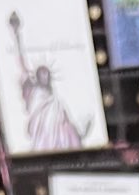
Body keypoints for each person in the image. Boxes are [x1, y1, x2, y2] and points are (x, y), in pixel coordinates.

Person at [8, 8, 88, 152]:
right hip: (40, 123)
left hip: (56, 123)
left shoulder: (53, 99)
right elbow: (21, 61)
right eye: (42, 73)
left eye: (46, 74)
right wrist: (16, 35)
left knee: (64, 124)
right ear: (37, 75)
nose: (44, 77)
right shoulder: (32, 87)